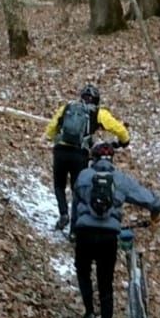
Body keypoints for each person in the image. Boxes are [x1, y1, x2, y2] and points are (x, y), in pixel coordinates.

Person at [70, 141, 160, 318]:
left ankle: (89, 311)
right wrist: (156, 210)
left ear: (92, 159)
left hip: (85, 233)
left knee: (83, 271)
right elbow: (147, 198)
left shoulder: (83, 176)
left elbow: (75, 205)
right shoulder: (120, 179)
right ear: (112, 159)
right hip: (108, 236)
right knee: (106, 283)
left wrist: (74, 229)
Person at [45, 84, 129, 231]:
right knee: (78, 190)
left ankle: (63, 213)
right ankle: (74, 230)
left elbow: (51, 128)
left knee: (59, 185)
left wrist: (53, 138)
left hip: (60, 151)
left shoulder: (67, 107)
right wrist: (124, 140)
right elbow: (118, 128)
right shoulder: (98, 113)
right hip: (80, 154)